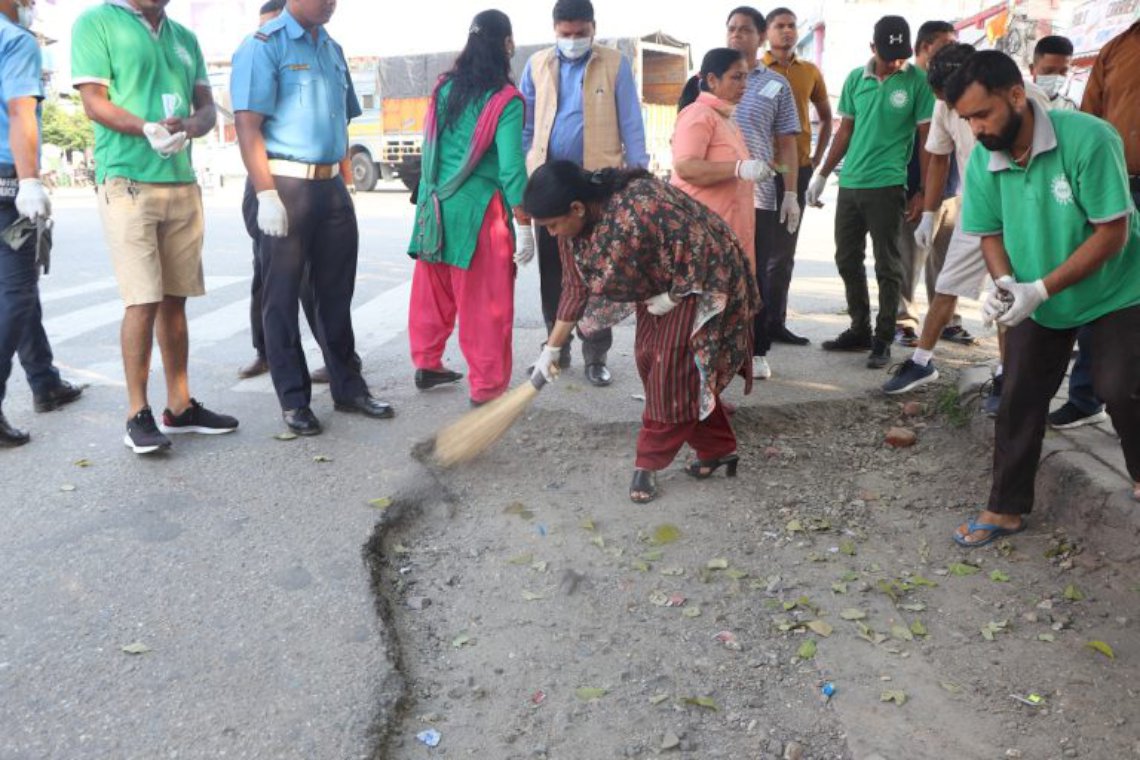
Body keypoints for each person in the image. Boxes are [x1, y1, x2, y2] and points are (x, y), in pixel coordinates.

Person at [949, 50, 1140, 545]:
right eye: (967, 119)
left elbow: (1112, 233)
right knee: (1019, 396)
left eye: (983, 114)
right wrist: (1006, 285)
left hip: (1116, 287)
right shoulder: (986, 158)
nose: (976, 129)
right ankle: (1004, 509)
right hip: (1039, 291)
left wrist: (1039, 288)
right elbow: (990, 232)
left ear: (1016, 95)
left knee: (1121, 387)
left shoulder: (1091, 138)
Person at [524, 162, 758, 504]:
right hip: (658, 289)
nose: (551, 233)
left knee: (670, 372)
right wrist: (552, 349)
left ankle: (648, 461)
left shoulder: (641, 205)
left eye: (552, 225)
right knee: (649, 360)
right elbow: (575, 289)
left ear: (576, 207)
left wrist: (674, 296)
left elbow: (707, 251)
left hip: (701, 281)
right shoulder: (571, 232)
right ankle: (718, 448)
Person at [72, 0, 238, 455]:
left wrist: (189, 126)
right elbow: (93, 103)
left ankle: (180, 407)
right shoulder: (97, 22)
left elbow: (207, 108)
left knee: (175, 299)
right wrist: (145, 128)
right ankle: (136, 414)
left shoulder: (184, 37)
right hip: (127, 180)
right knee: (142, 300)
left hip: (180, 180)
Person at [231, 0, 393, 437]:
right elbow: (247, 125)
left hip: (330, 185)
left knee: (336, 295)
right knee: (281, 298)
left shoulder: (332, 49)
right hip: (285, 185)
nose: (330, 2)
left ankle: (349, 388)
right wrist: (265, 194)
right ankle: (294, 400)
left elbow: (341, 122)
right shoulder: (264, 46)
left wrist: (346, 185)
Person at [883, 45, 1054, 400]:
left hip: (1023, 206)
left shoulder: (1025, 96)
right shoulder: (944, 105)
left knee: (1008, 291)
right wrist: (928, 214)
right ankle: (921, 361)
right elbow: (939, 158)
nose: (955, 111)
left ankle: (1006, 374)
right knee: (948, 283)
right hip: (978, 205)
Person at [519, 0, 649, 388]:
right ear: (554, 29)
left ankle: (596, 355)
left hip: (595, 188)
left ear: (594, 27)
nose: (573, 40)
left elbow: (632, 125)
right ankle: (555, 348)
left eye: (581, 33)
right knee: (552, 273)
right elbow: (526, 128)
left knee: (598, 275)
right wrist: (525, 178)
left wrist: (638, 178)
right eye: (566, 34)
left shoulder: (614, 63)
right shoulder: (536, 65)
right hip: (549, 187)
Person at [407, 10, 529, 407]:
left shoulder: (444, 88)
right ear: (507, 44)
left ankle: (427, 362)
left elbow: (430, 146)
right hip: (479, 215)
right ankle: (487, 388)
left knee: (433, 290)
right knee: (484, 305)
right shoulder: (506, 100)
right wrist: (524, 221)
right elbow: (511, 169)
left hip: (433, 205)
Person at [806, 16, 935, 370]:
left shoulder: (917, 82)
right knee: (846, 259)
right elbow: (845, 131)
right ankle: (859, 328)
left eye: (901, 55)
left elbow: (926, 140)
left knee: (887, 264)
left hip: (888, 184)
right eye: (888, 55)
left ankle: (883, 338)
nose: (895, 62)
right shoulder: (854, 79)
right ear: (872, 47)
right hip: (851, 183)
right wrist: (822, 174)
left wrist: (923, 190)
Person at [1, 0, 83, 447]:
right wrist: (29, 179)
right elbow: (19, 111)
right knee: (16, 291)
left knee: (19, 286)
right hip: (6, 184)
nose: (29, 7)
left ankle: (44, 381)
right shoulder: (14, 40)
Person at [1050, 23, 1139, 431]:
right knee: (1098, 290)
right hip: (1116, 187)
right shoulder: (1117, 47)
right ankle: (1086, 397)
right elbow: (1088, 121)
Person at [725, 6, 799, 381]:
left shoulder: (776, 85)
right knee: (715, 274)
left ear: (760, 36)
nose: (736, 35)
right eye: (731, 29)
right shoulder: (707, 77)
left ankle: (756, 350)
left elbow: (786, 145)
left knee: (756, 276)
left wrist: (790, 192)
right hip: (716, 194)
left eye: (745, 29)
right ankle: (718, 347)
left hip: (759, 197)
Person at [894, 20, 968, 348]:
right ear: (925, 47)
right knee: (908, 259)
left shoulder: (962, 82)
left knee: (949, 261)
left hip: (954, 189)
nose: (953, 50)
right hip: (915, 188)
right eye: (946, 44)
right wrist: (921, 193)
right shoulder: (907, 81)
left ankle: (948, 320)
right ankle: (904, 321)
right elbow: (926, 150)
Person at [762, 6, 831, 346]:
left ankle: (776, 322)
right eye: (780, 26)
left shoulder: (809, 71)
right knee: (760, 249)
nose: (787, 31)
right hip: (762, 171)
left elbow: (827, 117)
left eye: (791, 25)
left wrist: (817, 159)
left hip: (796, 169)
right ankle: (753, 324)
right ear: (767, 32)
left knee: (785, 251)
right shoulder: (755, 71)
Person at [671, 48, 757, 262]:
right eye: (736, 77)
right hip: (706, 235)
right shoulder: (698, 114)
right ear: (712, 80)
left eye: (745, 77)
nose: (743, 85)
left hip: (732, 232)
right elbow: (686, 167)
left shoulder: (726, 118)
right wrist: (739, 168)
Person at [1030, 35, 1078, 112]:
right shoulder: (1016, 102)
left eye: (1063, 71)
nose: (1056, 77)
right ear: (1032, 69)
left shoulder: (1070, 107)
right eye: (1048, 71)